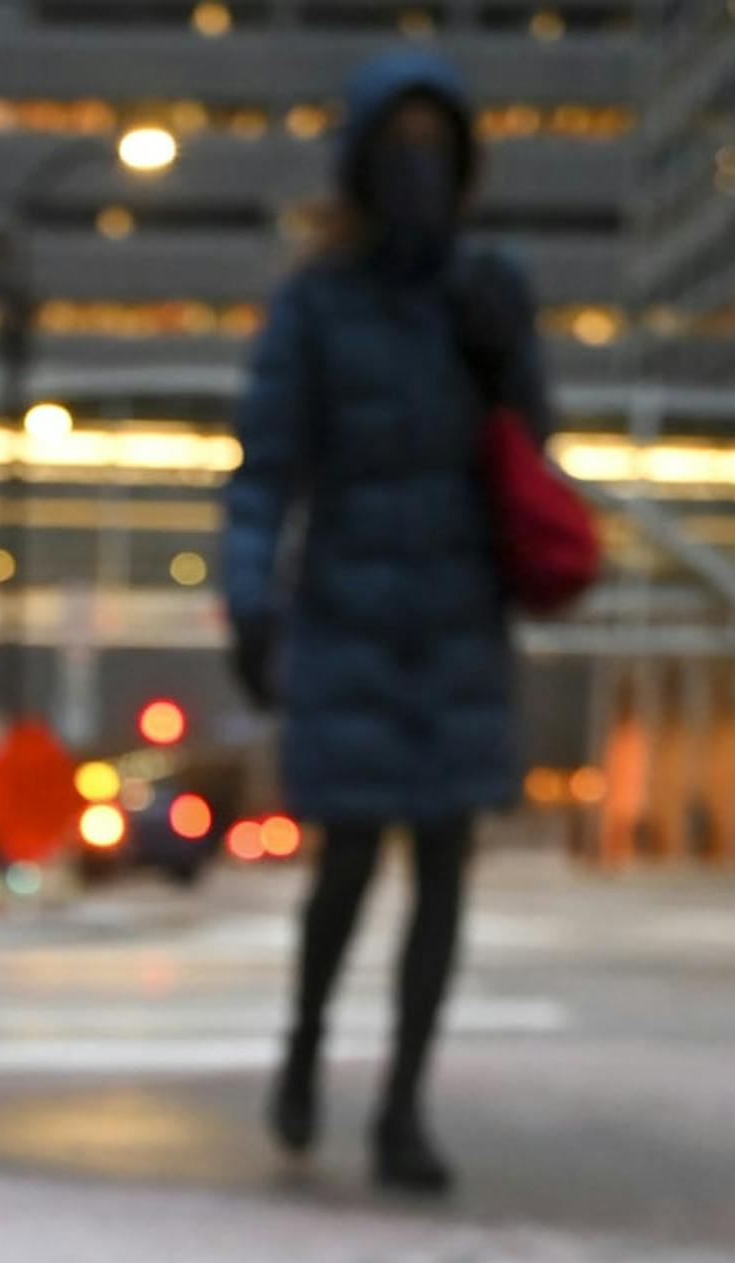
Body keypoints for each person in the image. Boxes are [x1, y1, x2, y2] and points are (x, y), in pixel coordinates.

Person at [225, 50, 554, 1196]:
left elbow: (533, 450)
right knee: (350, 864)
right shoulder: (316, 303)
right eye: (398, 146)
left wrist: (496, 353)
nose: (418, 170)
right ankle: (307, 1039)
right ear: (363, 164)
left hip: (458, 615)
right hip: (352, 610)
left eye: (436, 147)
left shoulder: (490, 292)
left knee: (448, 873)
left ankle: (405, 1105)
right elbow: (265, 468)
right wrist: (249, 595)